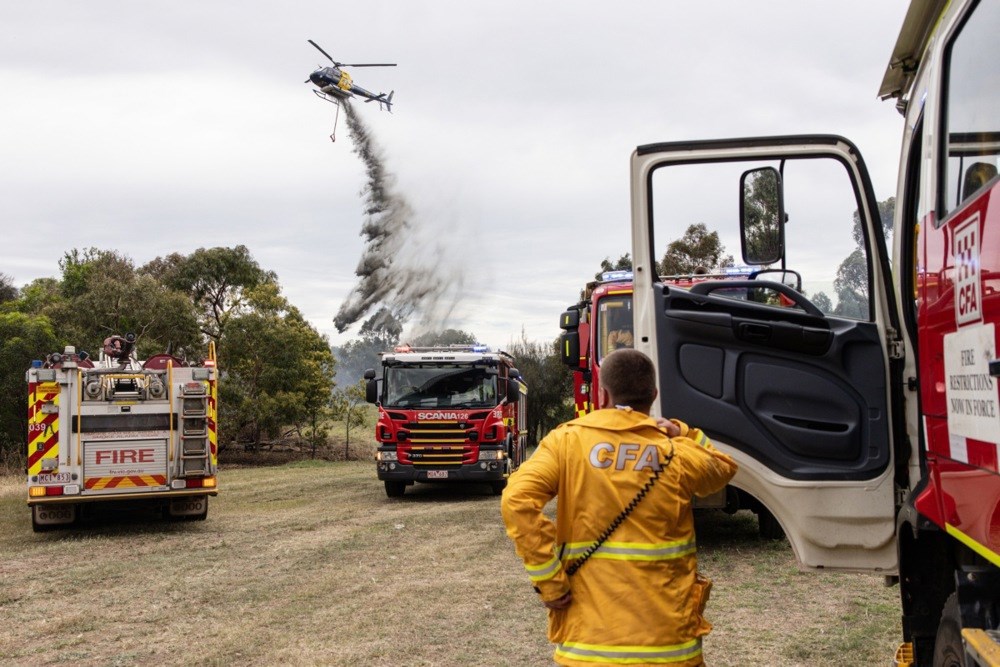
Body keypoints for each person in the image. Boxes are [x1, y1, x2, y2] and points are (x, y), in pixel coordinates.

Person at [501, 349, 737, 667]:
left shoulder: (566, 442)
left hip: (588, 649)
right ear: (653, 395)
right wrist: (684, 432)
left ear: (603, 392)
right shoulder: (674, 451)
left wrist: (551, 583)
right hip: (668, 648)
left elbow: (516, 500)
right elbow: (722, 469)